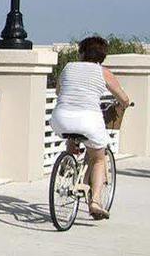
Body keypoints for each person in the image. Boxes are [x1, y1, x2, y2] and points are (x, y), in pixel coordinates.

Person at [49, 35, 130, 220]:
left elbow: (58, 91)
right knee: (99, 158)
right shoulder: (103, 72)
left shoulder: (69, 67)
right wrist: (123, 104)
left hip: (60, 118)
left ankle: (69, 164)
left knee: (73, 134)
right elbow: (123, 99)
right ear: (102, 56)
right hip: (89, 120)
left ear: (82, 53)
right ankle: (95, 201)